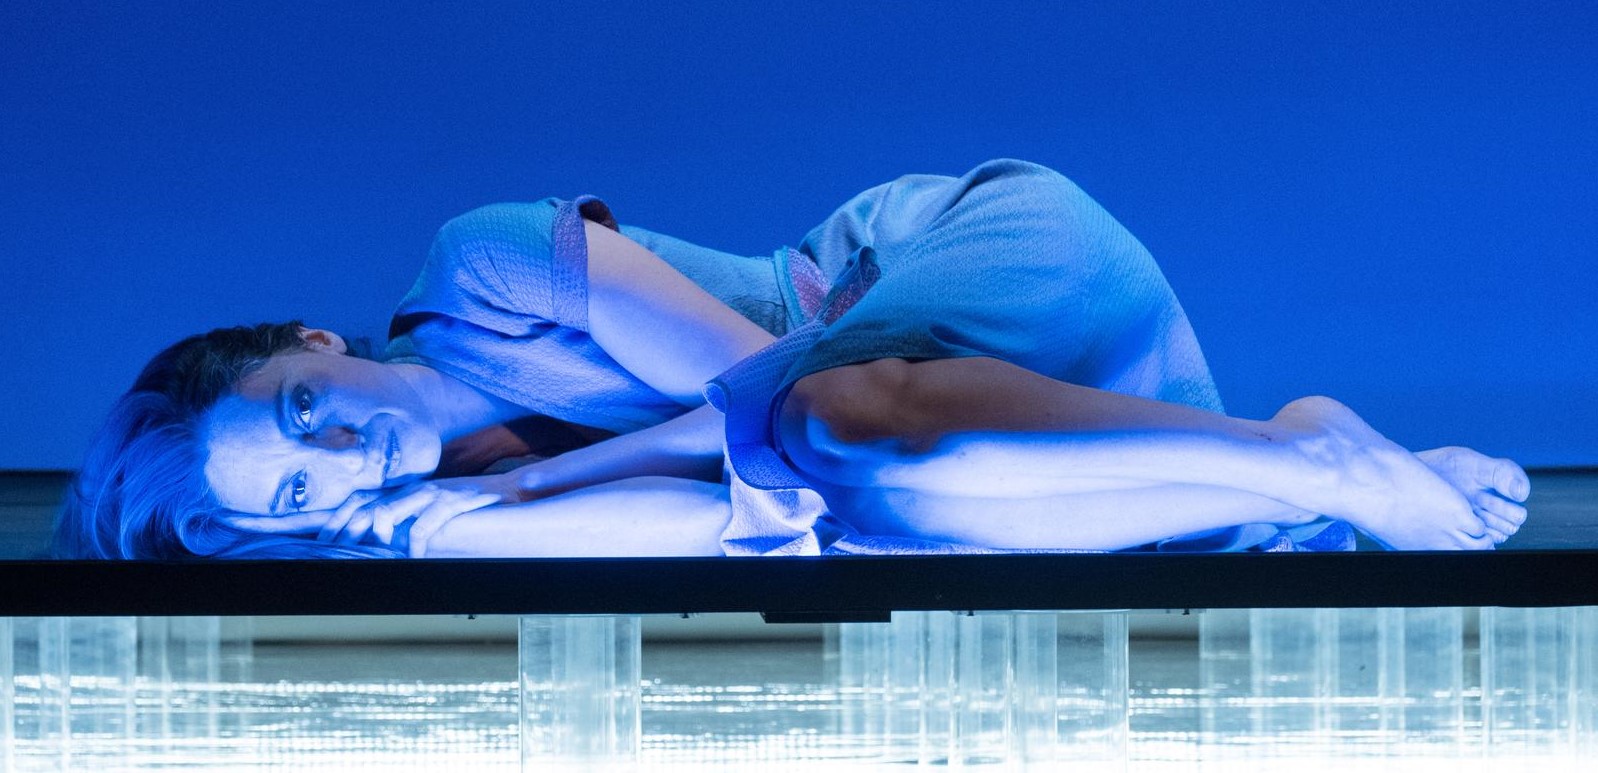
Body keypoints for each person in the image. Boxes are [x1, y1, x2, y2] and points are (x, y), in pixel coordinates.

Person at [55, 160, 1531, 560]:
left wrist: (534, 499)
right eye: (300, 493)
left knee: (816, 435)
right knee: (860, 511)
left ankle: (1307, 462)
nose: (343, 459)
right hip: (945, 433)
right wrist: (443, 525)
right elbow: (742, 532)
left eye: (303, 410)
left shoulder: (481, 270)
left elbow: (760, 377)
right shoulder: (451, 506)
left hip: (962, 268)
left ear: (312, 343)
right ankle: (1308, 464)